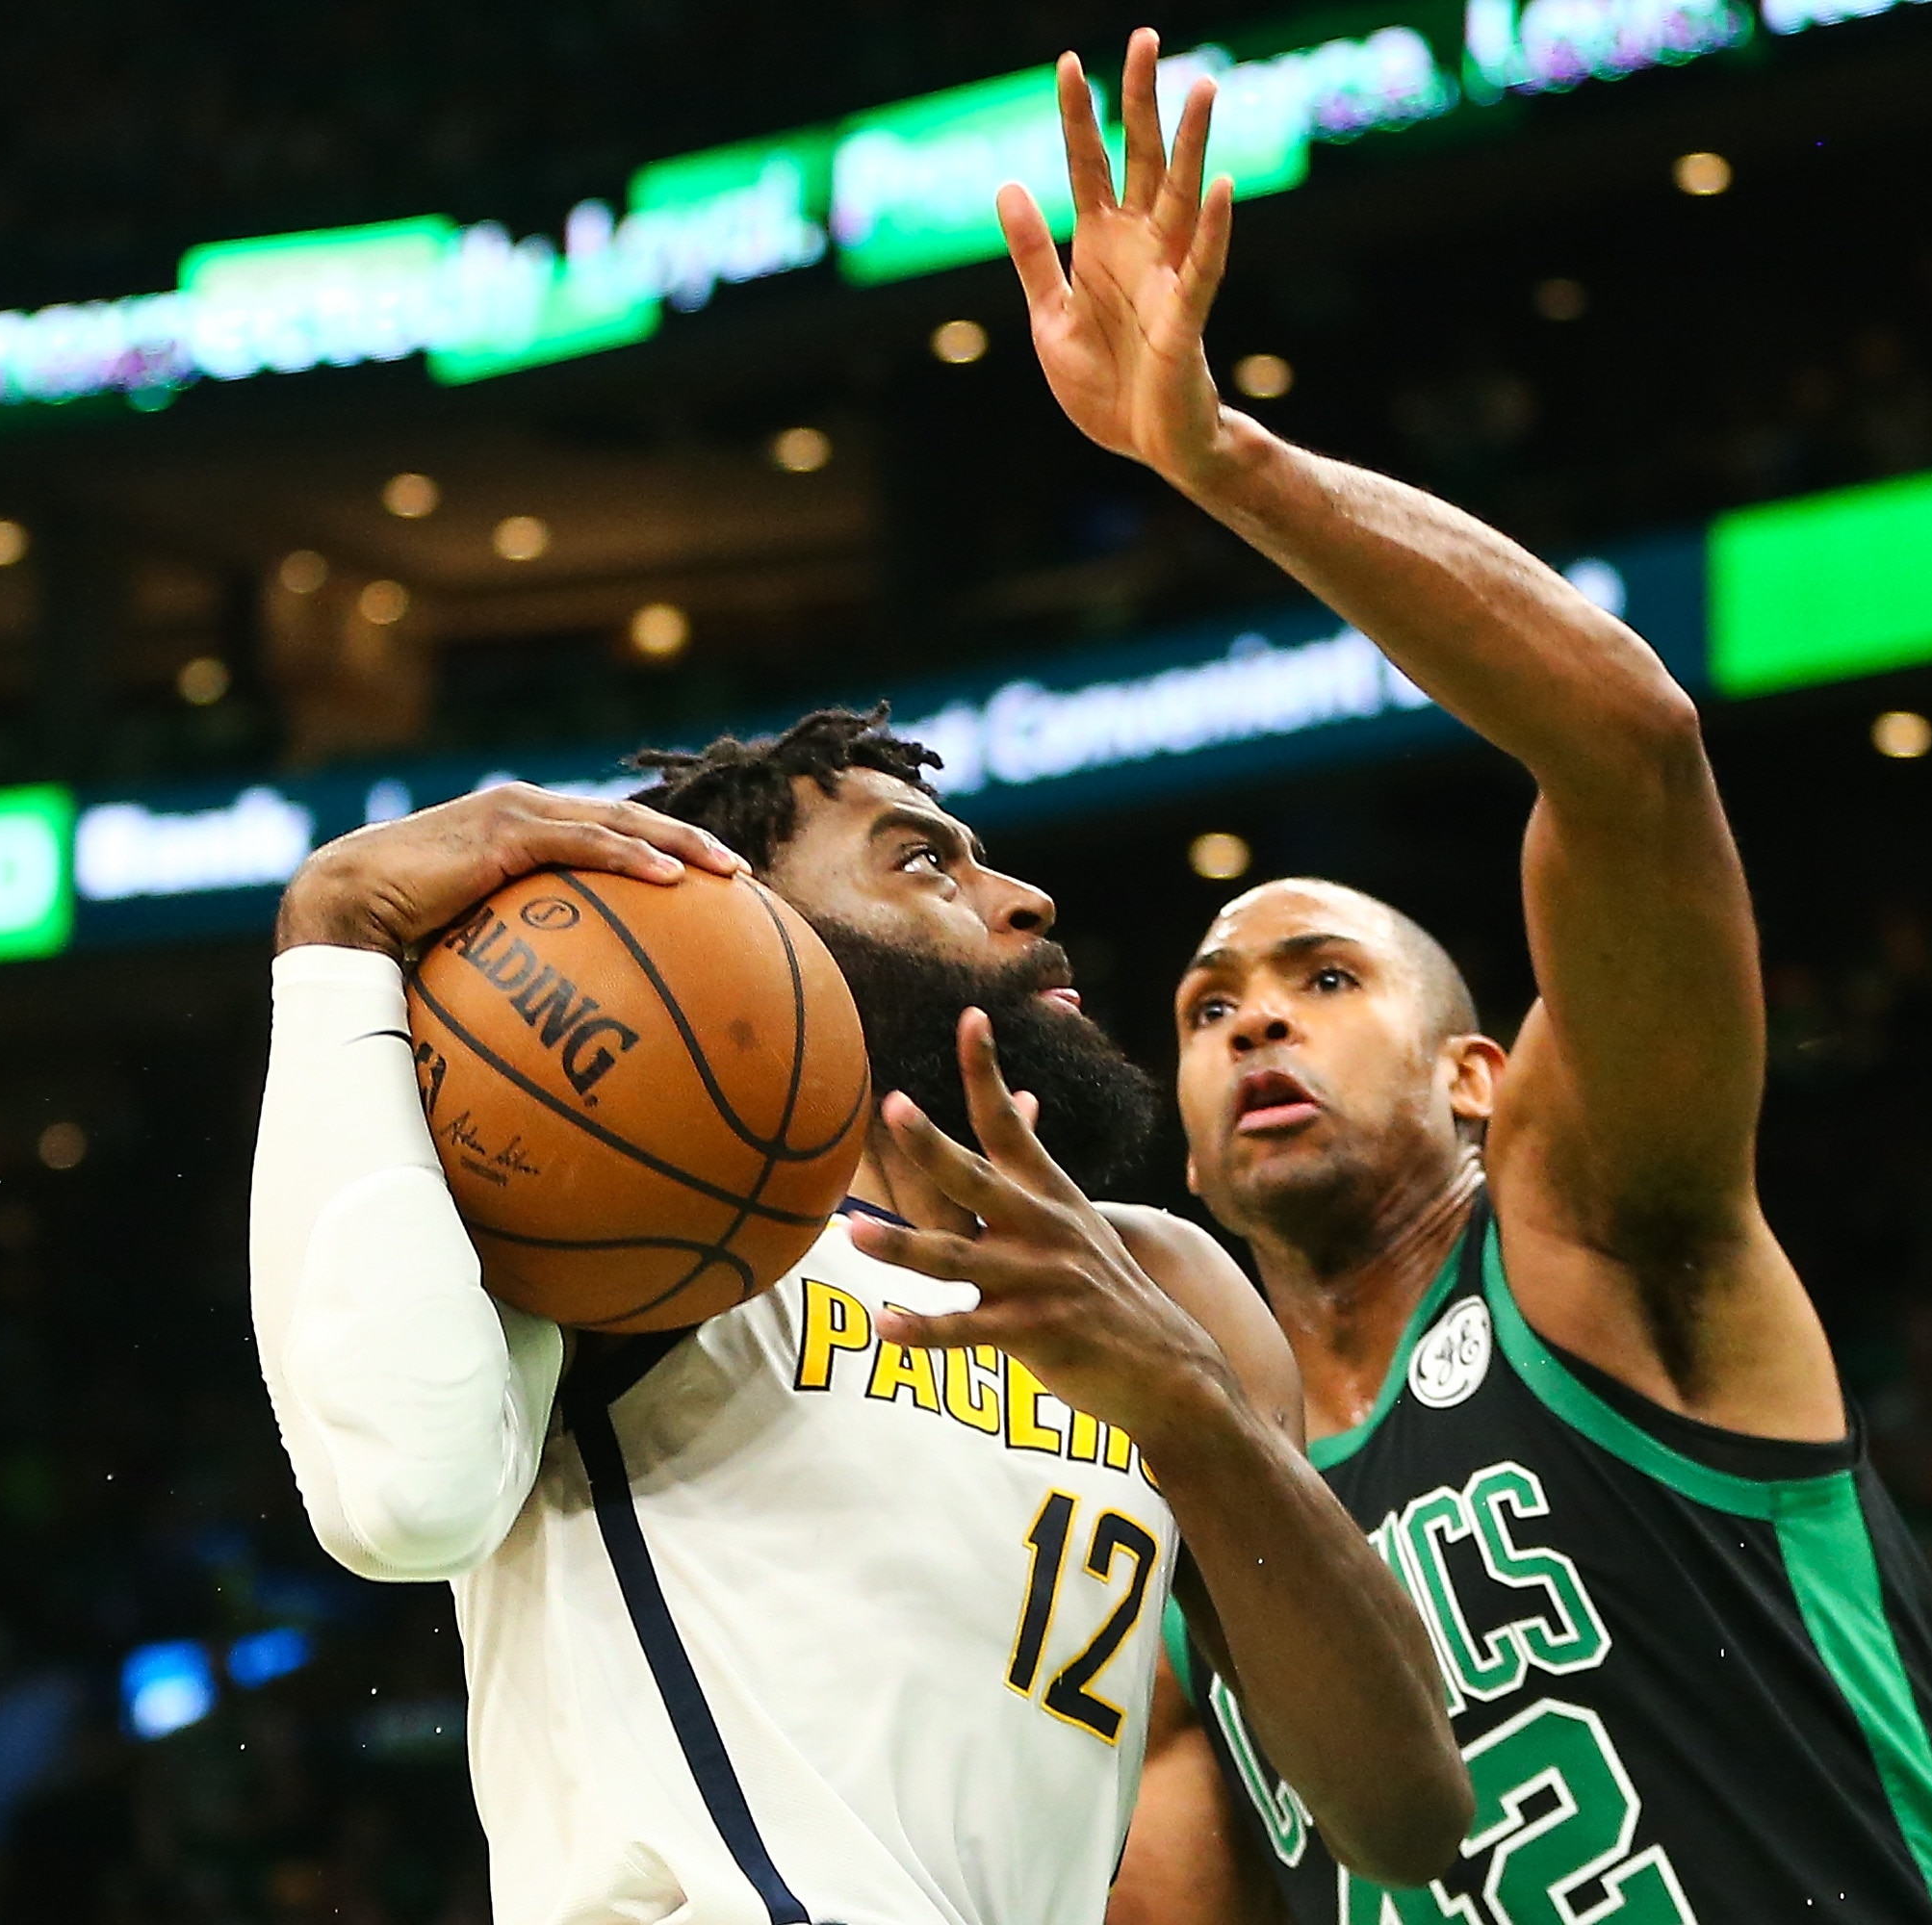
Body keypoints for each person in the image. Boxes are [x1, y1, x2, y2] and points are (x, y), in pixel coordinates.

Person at [249, 78, 1473, 1904]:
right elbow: (403, 1501)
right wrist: (336, 945)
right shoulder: (612, 1211)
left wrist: (1195, 1413)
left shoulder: (1180, 1288)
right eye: (926, 860)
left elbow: (1404, 1816)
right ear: (743, 941)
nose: (1024, 890)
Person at [1010, 32, 1932, 1925]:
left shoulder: (1584, 1236)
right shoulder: (1204, 1514)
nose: (1251, 1025)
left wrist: (1219, 460)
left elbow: (1629, 755)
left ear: (1477, 1076)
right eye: (1213, 1008)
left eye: (1321, 976)